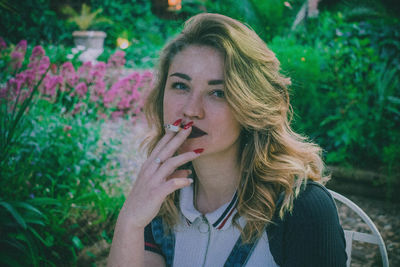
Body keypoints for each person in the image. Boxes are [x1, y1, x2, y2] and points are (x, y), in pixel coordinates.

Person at [107, 13, 347, 267]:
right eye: (180, 86)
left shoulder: (303, 209)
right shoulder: (162, 197)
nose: (191, 110)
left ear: (251, 105)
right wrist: (130, 221)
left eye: (218, 93)